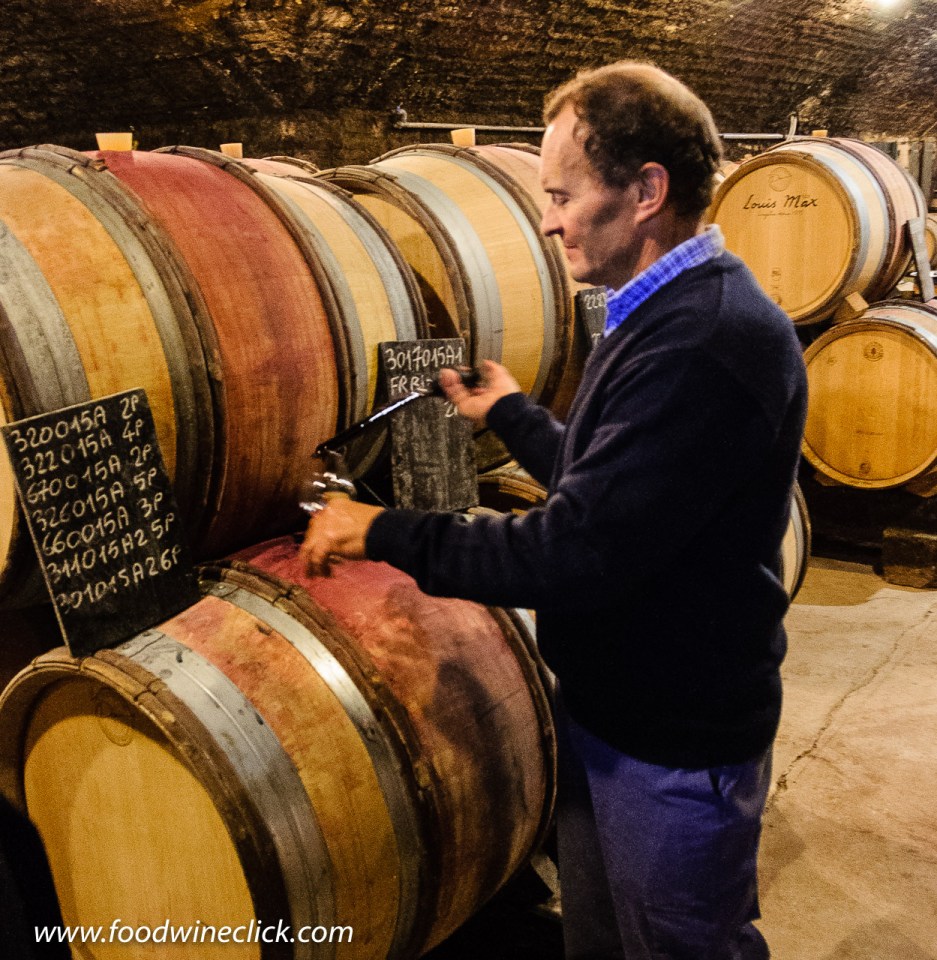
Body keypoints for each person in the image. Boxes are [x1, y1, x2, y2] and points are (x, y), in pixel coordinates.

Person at [301, 60, 808, 960]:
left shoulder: (705, 340)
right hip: (619, 719)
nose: (545, 217)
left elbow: (571, 552)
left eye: (563, 193)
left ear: (645, 190)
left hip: (675, 749)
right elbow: (619, 488)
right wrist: (511, 415)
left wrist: (379, 529)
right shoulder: (661, 312)